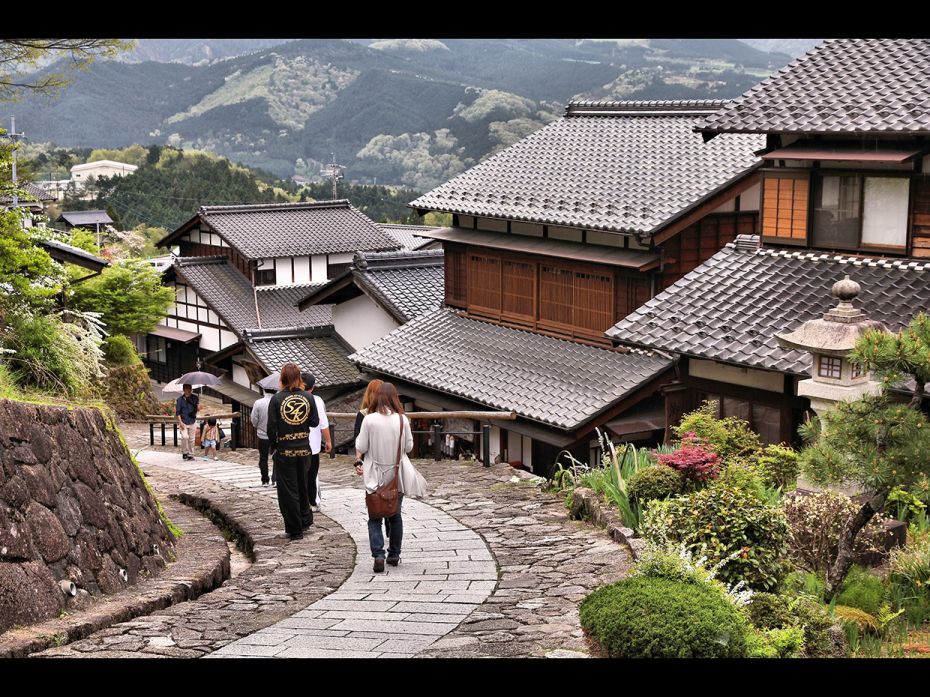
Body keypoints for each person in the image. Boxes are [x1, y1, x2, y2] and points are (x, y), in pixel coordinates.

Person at [354, 382, 413, 573]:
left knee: (374, 517)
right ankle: (394, 554)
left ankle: (378, 555)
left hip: (374, 474)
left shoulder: (369, 420)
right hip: (397, 474)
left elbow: (361, 447)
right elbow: (409, 447)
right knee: (395, 515)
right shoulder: (403, 420)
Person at [267, 363, 319, 540]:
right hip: (305, 449)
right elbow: (314, 422)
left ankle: (295, 529)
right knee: (303, 485)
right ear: (299, 378)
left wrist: (274, 447)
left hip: (285, 451)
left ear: (282, 378)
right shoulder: (308, 397)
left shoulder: (276, 399)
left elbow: (271, 428)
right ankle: (305, 520)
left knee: (288, 490)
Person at [302, 372, 331, 512]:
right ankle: (312, 502)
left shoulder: (290, 398)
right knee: (312, 474)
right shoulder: (317, 400)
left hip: (296, 444)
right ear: (313, 387)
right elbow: (323, 424)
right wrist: (329, 441)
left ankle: (302, 501)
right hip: (313, 445)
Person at [250, 388, 274, 486]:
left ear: (264, 391)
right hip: (276, 435)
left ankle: (265, 480)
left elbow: (254, 418)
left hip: (262, 434)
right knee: (277, 457)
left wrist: (258, 426)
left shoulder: (258, 403)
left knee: (263, 458)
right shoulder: (278, 401)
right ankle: (276, 479)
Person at [175, 384, 199, 461]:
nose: (188, 390)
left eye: (190, 389)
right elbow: (178, 413)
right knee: (185, 437)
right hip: (183, 421)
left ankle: (191, 454)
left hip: (192, 421)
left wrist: (199, 407)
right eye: (187, 389)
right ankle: (185, 452)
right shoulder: (179, 400)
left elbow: (197, 408)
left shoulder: (195, 398)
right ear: (184, 390)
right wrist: (180, 422)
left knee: (192, 439)